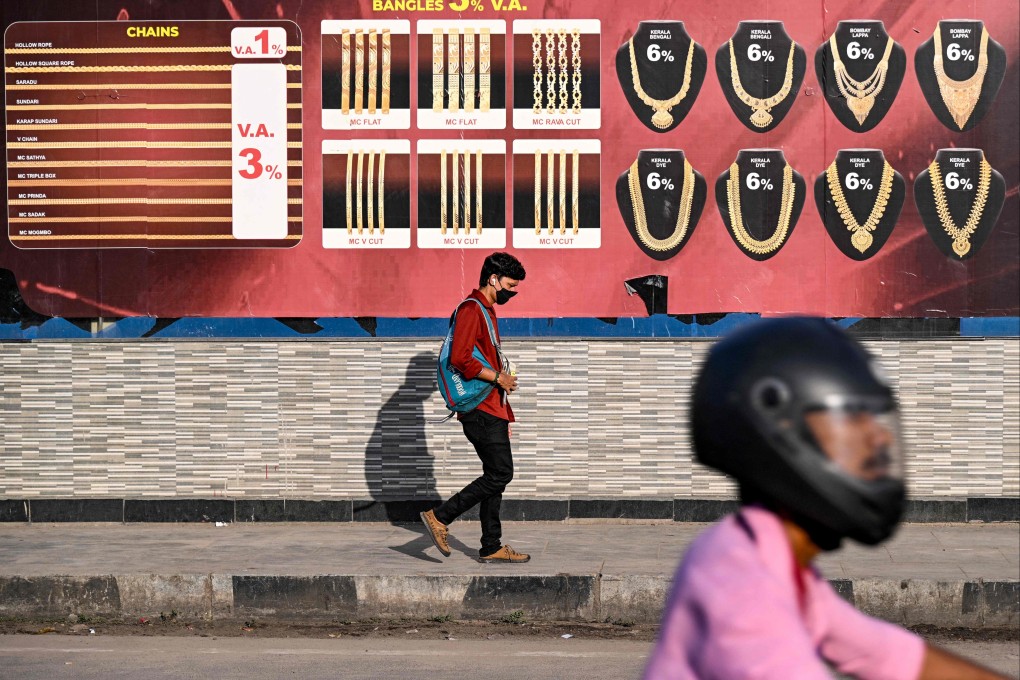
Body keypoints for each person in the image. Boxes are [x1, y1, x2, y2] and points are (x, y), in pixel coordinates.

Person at [644, 317, 1008, 680]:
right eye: (852, 417)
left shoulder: (769, 560)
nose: (878, 437)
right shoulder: (742, 594)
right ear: (779, 431)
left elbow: (896, 659)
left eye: (874, 418)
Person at [421, 252, 530, 563]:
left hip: (493, 406)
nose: (512, 292)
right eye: (510, 285)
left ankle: (491, 545)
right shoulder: (472, 310)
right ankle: (440, 516)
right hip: (482, 409)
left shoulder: (486, 310)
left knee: (494, 474)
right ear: (492, 279)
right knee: (500, 473)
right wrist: (498, 377)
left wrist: (501, 379)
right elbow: (460, 359)